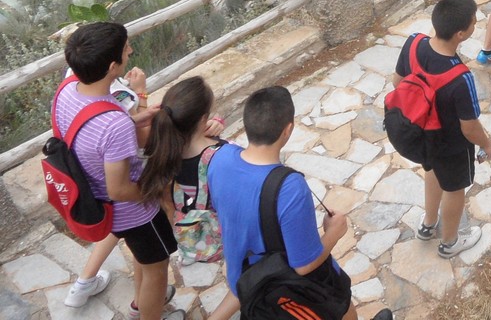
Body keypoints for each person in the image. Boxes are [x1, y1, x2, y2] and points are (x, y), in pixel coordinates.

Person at [208, 87, 392, 320]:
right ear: (288, 130)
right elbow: (304, 265)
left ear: (247, 125)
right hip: (281, 285)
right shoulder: (289, 187)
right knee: (339, 300)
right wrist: (334, 233)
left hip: (243, 274)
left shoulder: (219, 159)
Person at [56, 23, 183, 320]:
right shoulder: (114, 124)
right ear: (113, 66)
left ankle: (141, 303)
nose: (131, 51)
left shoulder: (68, 90)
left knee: (143, 257)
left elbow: (88, 134)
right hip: (133, 212)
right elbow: (121, 189)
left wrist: (135, 119)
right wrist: (162, 189)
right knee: (156, 268)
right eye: (126, 49)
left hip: (95, 195)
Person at [399, 0, 491, 258]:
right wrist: (486, 143)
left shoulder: (413, 44)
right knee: (454, 188)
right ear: (461, 34)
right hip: (451, 145)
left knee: (432, 171)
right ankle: (450, 242)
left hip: (423, 137)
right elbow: (469, 128)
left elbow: (398, 81)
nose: (476, 25)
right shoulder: (460, 78)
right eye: (474, 23)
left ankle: (428, 224)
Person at [139, 77, 238, 320]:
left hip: (188, 232)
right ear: (203, 119)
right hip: (225, 234)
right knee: (247, 276)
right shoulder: (223, 154)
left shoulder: (162, 150)